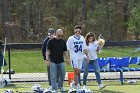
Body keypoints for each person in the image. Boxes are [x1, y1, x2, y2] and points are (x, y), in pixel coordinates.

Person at [66, 25, 89, 90]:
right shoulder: (71, 38)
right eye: (76, 30)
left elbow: (84, 48)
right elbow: (68, 49)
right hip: (74, 56)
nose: (78, 32)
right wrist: (67, 58)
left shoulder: (82, 38)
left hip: (80, 56)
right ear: (74, 30)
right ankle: (77, 84)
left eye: (79, 30)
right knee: (75, 71)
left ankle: (73, 82)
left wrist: (87, 56)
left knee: (78, 72)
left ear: (80, 31)